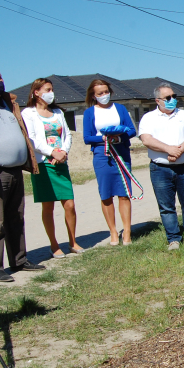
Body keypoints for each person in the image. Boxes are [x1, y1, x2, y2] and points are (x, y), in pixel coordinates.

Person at [0, 64, 45, 282]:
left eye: (0, 76)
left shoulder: (9, 103)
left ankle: (19, 260)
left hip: (14, 170)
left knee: (16, 217)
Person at [21, 78, 83, 258]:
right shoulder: (28, 113)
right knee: (48, 207)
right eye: (47, 89)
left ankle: (73, 241)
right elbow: (32, 139)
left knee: (69, 204)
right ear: (36, 93)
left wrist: (62, 152)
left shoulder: (57, 112)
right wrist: (51, 153)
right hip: (43, 164)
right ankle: (54, 245)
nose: (51, 93)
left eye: (52, 89)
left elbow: (67, 135)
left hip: (61, 163)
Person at [139, 82, 184, 251]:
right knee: (167, 207)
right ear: (157, 100)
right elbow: (146, 139)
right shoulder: (148, 118)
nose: (172, 100)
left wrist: (178, 151)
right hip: (160, 169)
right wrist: (168, 149)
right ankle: (174, 239)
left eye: (174, 97)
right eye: (168, 97)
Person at [82, 79, 136, 246]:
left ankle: (127, 231)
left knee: (124, 192)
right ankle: (113, 231)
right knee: (106, 194)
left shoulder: (120, 108)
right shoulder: (89, 113)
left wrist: (119, 136)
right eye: (100, 93)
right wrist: (103, 138)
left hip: (121, 152)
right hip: (102, 155)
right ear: (93, 95)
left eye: (106, 92)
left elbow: (132, 130)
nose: (104, 95)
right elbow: (87, 137)